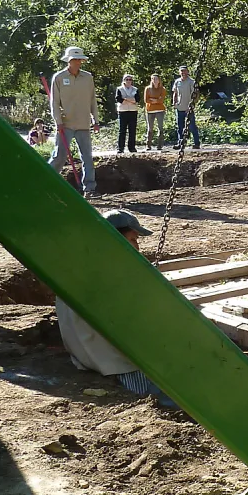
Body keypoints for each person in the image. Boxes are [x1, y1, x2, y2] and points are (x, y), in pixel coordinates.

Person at [54, 209, 174, 402]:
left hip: (83, 357)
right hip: (117, 365)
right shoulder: (113, 277)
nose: (137, 248)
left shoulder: (79, 266)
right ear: (113, 240)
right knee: (177, 397)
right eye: (133, 240)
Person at [48, 45, 99, 197]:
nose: (78, 62)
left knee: (87, 157)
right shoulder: (58, 78)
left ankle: (90, 188)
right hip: (66, 124)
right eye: (75, 59)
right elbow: (54, 103)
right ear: (68, 61)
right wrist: (58, 121)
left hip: (83, 123)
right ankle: (46, 180)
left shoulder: (88, 77)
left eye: (80, 59)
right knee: (59, 156)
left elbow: (92, 100)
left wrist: (95, 120)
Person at [172, 65, 201, 150]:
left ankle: (196, 143)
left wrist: (192, 105)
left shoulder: (192, 82)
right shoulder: (177, 82)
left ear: (188, 72)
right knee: (180, 127)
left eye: (185, 71)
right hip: (180, 107)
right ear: (179, 72)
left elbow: (196, 95)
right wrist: (174, 102)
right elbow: (175, 93)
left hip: (189, 108)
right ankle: (180, 143)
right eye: (181, 71)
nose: (183, 73)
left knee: (192, 126)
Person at [114, 73, 140, 154]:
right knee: (122, 130)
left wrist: (126, 99)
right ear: (124, 80)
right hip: (123, 111)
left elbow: (137, 99)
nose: (128, 81)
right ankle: (120, 148)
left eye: (130, 79)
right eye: (127, 79)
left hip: (133, 111)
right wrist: (130, 100)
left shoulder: (135, 89)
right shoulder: (119, 89)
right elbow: (119, 99)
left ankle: (132, 147)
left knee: (132, 130)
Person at [143, 72, 167, 150]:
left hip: (160, 110)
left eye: (156, 79)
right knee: (150, 128)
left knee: (160, 128)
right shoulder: (148, 88)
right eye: (153, 79)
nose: (154, 80)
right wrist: (157, 100)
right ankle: (148, 145)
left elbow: (162, 100)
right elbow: (146, 100)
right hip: (150, 111)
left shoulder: (162, 89)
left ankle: (159, 145)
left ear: (159, 80)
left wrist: (154, 100)